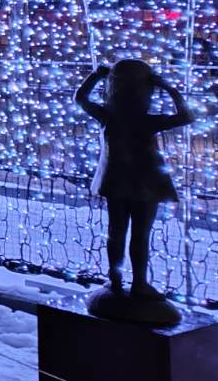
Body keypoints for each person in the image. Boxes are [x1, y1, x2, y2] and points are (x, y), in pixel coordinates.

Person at [76, 59, 193, 306]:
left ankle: (116, 280)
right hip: (146, 183)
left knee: (116, 232)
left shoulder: (107, 115)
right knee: (140, 234)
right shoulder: (147, 120)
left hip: (117, 181)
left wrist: (96, 75)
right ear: (146, 91)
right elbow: (186, 116)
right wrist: (168, 88)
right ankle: (138, 283)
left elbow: (81, 98)